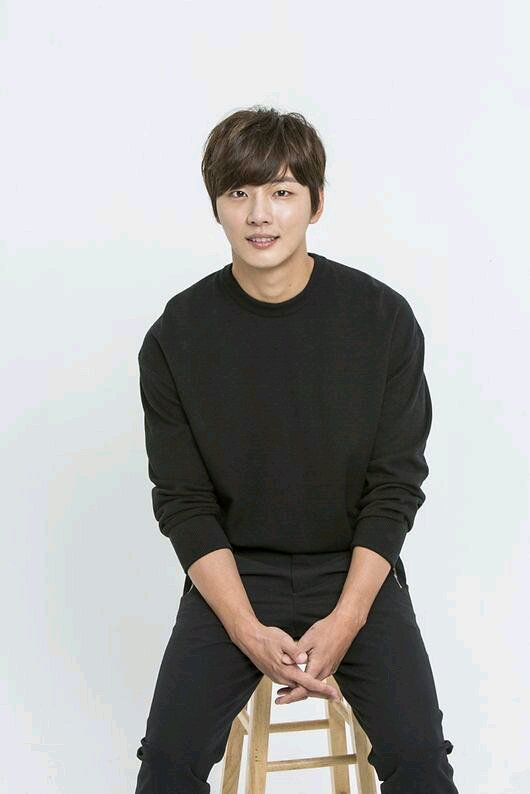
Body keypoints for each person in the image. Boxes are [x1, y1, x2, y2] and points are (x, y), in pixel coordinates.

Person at [134, 105, 459, 793]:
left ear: (315, 203)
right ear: (216, 205)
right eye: (239, 192)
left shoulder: (381, 320)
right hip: (235, 574)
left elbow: (394, 486)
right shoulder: (176, 336)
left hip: (353, 569)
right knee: (166, 762)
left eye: (281, 191)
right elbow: (184, 502)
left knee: (420, 760)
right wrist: (245, 630)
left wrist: (348, 618)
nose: (260, 214)